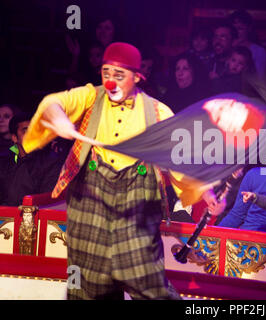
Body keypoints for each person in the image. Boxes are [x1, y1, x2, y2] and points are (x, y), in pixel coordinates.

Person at [22, 42, 180, 300]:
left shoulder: (159, 112)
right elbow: (54, 102)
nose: (110, 82)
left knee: (150, 284)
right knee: (85, 285)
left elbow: (180, 161)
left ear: (138, 77)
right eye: (106, 73)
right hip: (89, 204)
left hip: (135, 212)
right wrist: (59, 118)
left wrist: (204, 193)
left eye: (119, 76)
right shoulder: (90, 96)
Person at [0, 114, 67, 206]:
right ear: (15, 138)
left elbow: (47, 200)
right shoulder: (6, 163)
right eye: (26, 130)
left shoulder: (50, 163)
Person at [228, 9, 266, 77]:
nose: (236, 32)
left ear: (249, 29)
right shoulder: (227, 46)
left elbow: (259, 77)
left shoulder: (258, 51)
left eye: (240, 28)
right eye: (234, 28)